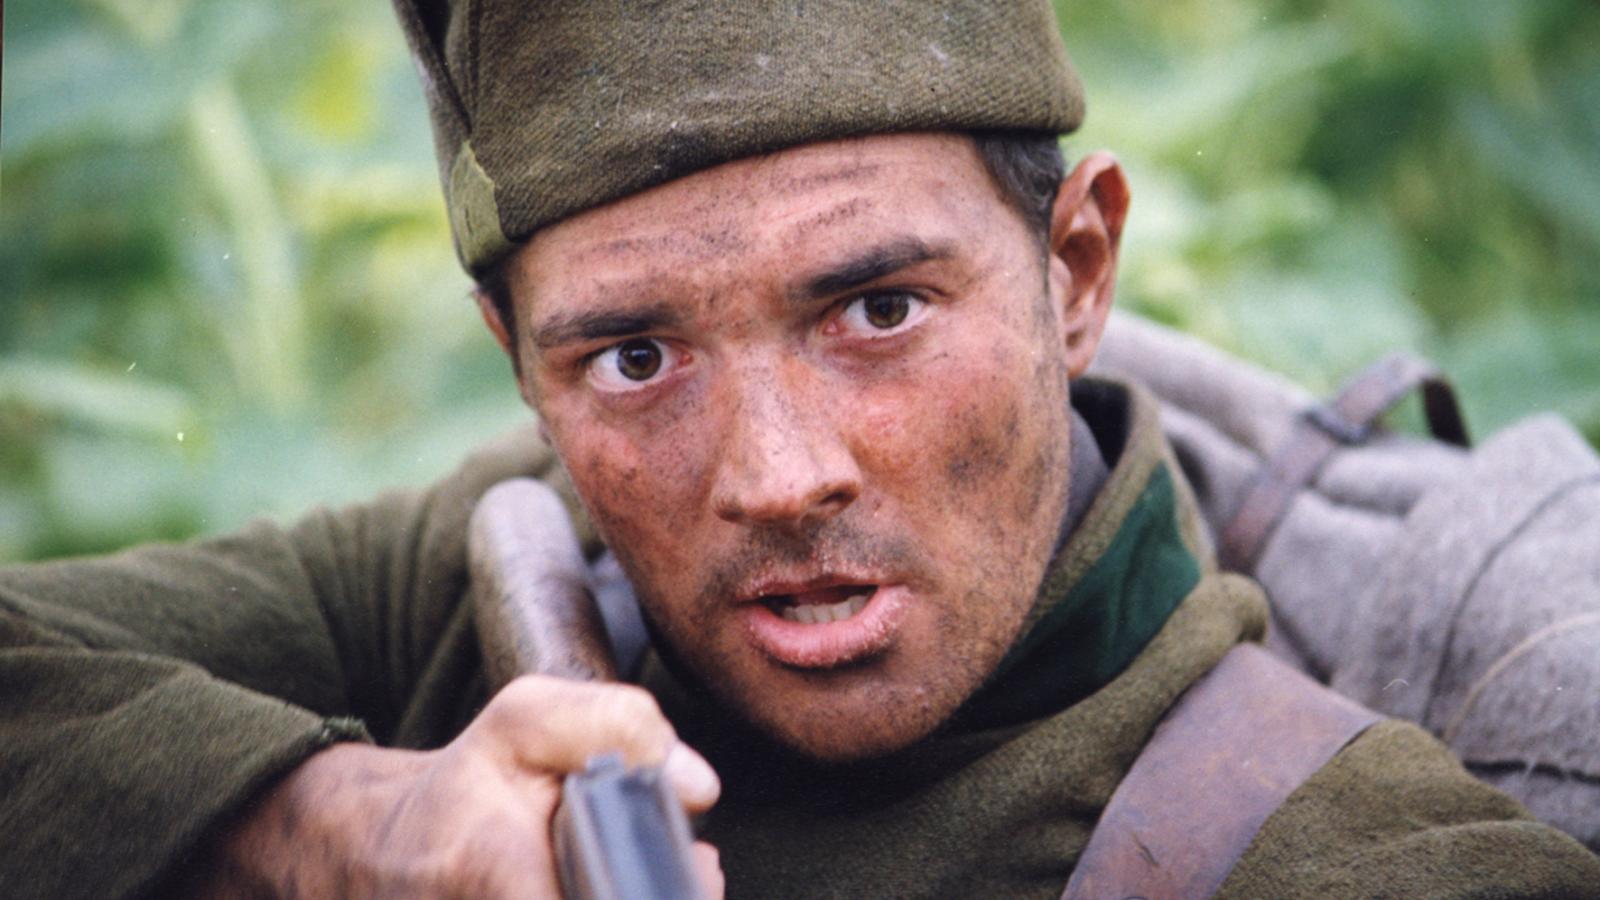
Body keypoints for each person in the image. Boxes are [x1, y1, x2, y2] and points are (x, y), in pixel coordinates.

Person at [3, 2, 1597, 897]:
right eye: (635, 359)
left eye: (879, 311)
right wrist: (336, 823)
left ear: (1074, 271)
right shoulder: (468, 590)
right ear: (520, 365)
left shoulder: (1368, 861)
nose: (775, 479)